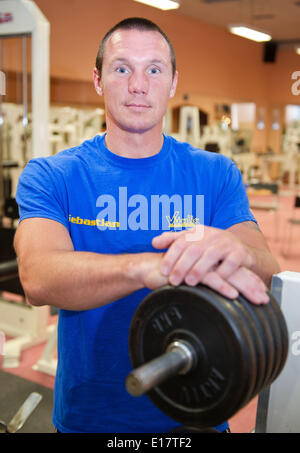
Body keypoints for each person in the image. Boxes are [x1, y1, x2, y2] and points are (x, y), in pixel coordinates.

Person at [14, 17, 280, 433]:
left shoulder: (215, 173)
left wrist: (240, 253)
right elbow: (37, 278)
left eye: (154, 69)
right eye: (122, 68)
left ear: (173, 82)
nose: (138, 84)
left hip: (199, 412)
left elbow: (265, 270)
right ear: (99, 80)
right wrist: (148, 268)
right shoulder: (52, 175)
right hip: (93, 418)